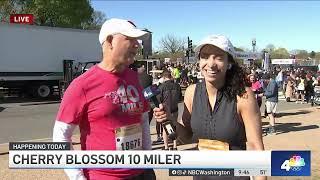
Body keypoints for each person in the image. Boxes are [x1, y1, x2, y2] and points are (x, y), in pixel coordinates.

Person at [53, 18, 156, 180]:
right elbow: (60, 135)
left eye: (137, 40)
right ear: (110, 41)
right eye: (130, 39)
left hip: (142, 173)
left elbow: (143, 120)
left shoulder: (134, 78)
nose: (137, 44)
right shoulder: (82, 85)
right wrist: (77, 177)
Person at [154, 35, 265, 180]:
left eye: (218, 57)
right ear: (199, 61)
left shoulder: (243, 96)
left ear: (229, 63)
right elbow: (187, 137)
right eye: (205, 57)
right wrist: (171, 121)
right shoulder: (191, 92)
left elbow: (255, 147)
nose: (211, 64)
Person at [157, 70, 182, 150]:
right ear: (170, 76)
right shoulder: (177, 85)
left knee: (166, 128)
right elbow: (180, 97)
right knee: (174, 127)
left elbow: (159, 99)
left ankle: (166, 147)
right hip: (175, 109)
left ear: (164, 77)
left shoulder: (161, 87)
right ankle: (175, 146)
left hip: (166, 110)